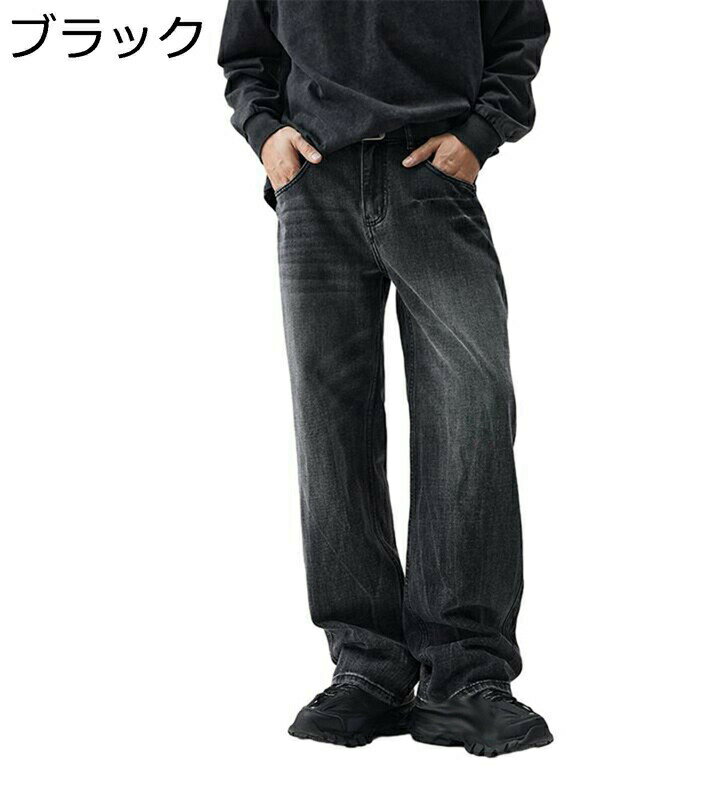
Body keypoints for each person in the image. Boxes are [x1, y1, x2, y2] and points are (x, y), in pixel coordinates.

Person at [219, 0, 551, 757]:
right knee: (332, 425)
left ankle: (464, 676)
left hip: (429, 176)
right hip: (314, 183)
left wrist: (480, 134)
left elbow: (519, 31)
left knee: (471, 408)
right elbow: (246, 56)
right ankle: (367, 667)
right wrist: (266, 135)